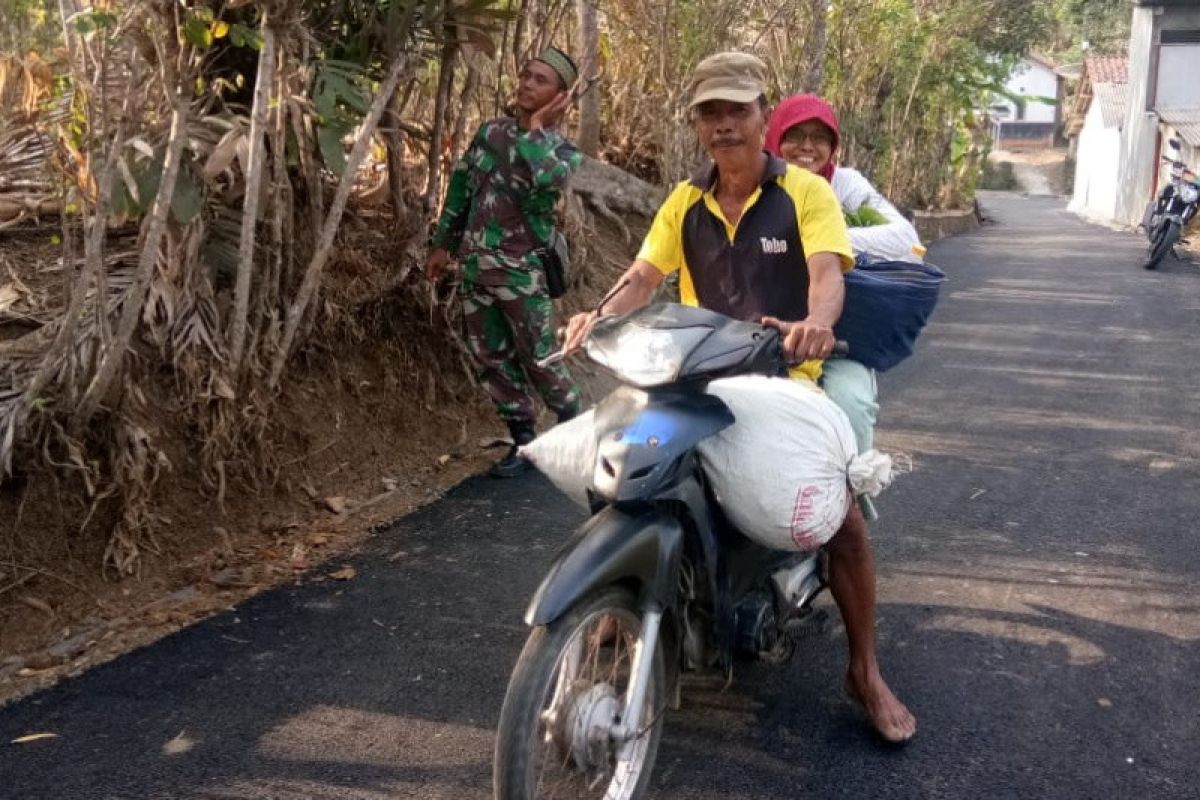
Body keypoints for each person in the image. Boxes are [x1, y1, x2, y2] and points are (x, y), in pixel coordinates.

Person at [562, 52, 917, 743]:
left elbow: (826, 272)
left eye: (737, 110)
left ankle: (865, 670)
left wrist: (816, 323)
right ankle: (618, 595)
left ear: (762, 115)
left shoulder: (806, 194)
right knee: (622, 464)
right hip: (699, 374)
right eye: (710, 113)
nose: (724, 124)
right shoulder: (683, 200)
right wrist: (595, 312)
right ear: (698, 124)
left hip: (786, 382)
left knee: (841, 523)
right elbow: (643, 273)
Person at [425, 47, 583, 477]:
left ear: (560, 96)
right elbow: (461, 185)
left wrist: (534, 128)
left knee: (540, 355)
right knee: (489, 357)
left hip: (522, 272)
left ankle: (577, 430)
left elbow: (552, 180)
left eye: (540, 80)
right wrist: (444, 243)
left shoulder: (562, 151)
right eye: (526, 76)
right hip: (476, 267)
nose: (528, 84)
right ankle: (524, 442)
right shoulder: (490, 132)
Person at [766, 94, 923, 456]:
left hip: (837, 338)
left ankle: (852, 502)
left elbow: (905, 239)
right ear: (775, 137)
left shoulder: (844, 184)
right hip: (764, 330)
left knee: (851, 405)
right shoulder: (757, 184)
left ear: (833, 146)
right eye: (796, 135)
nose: (808, 146)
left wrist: (820, 241)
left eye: (819, 137)